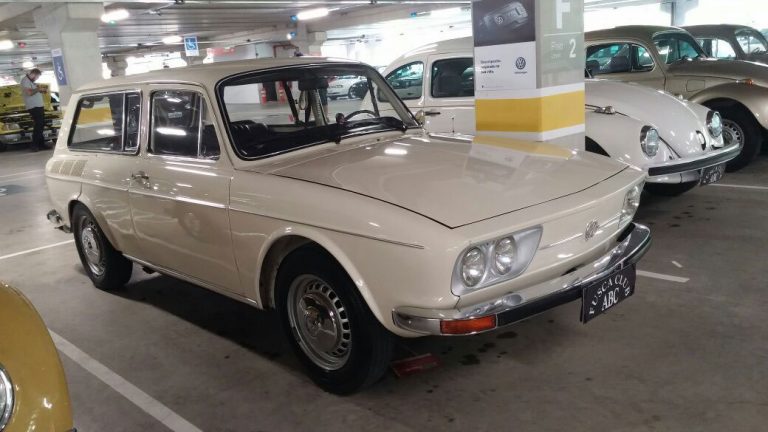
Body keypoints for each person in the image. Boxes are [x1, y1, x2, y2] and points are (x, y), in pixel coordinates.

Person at [21, 68, 47, 152]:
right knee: (39, 125)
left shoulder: (31, 82)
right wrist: (38, 89)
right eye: (37, 77)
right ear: (34, 74)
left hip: (38, 106)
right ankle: (34, 145)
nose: (37, 78)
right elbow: (29, 93)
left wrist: (40, 90)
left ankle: (41, 144)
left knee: (40, 125)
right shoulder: (25, 81)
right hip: (34, 107)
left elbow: (33, 91)